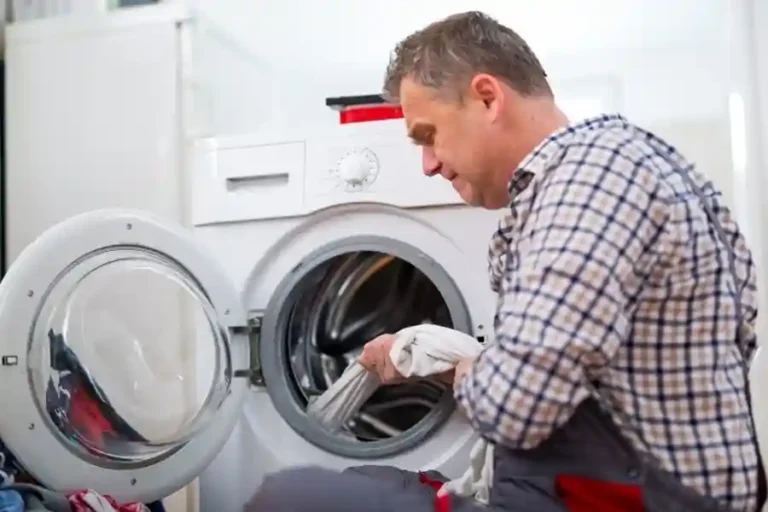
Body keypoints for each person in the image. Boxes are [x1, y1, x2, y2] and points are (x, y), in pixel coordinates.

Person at [247, 11, 765, 511]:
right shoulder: (619, 164)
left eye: (427, 135)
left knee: (289, 499)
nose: (427, 164)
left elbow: (516, 409)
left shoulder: (590, 179)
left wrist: (452, 360)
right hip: (604, 486)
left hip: (627, 500)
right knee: (364, 480)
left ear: (487, 97)